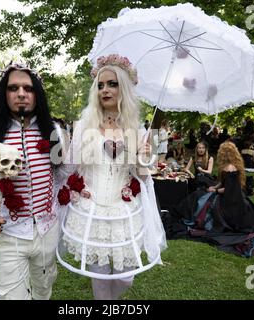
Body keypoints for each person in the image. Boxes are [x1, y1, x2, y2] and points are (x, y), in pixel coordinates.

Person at [56, 54, 166, 300]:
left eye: (112, 84)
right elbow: (69, 166)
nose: (105, 90)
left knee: (126, 278)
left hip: (123, 210)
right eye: (101, 85)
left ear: (124, 88)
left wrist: (144, 157)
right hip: (91, 208)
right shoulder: (85, 126)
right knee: (100, 274)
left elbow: (142, 176)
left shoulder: (137, 130)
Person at [0, 62, 63, 300]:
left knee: (43, 291)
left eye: (28, 88)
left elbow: (64, 177)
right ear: (4, 94)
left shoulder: (55, 132)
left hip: (47, 230)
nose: (21, 94)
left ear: (37, 94)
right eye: (13, 88)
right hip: (7, 234)